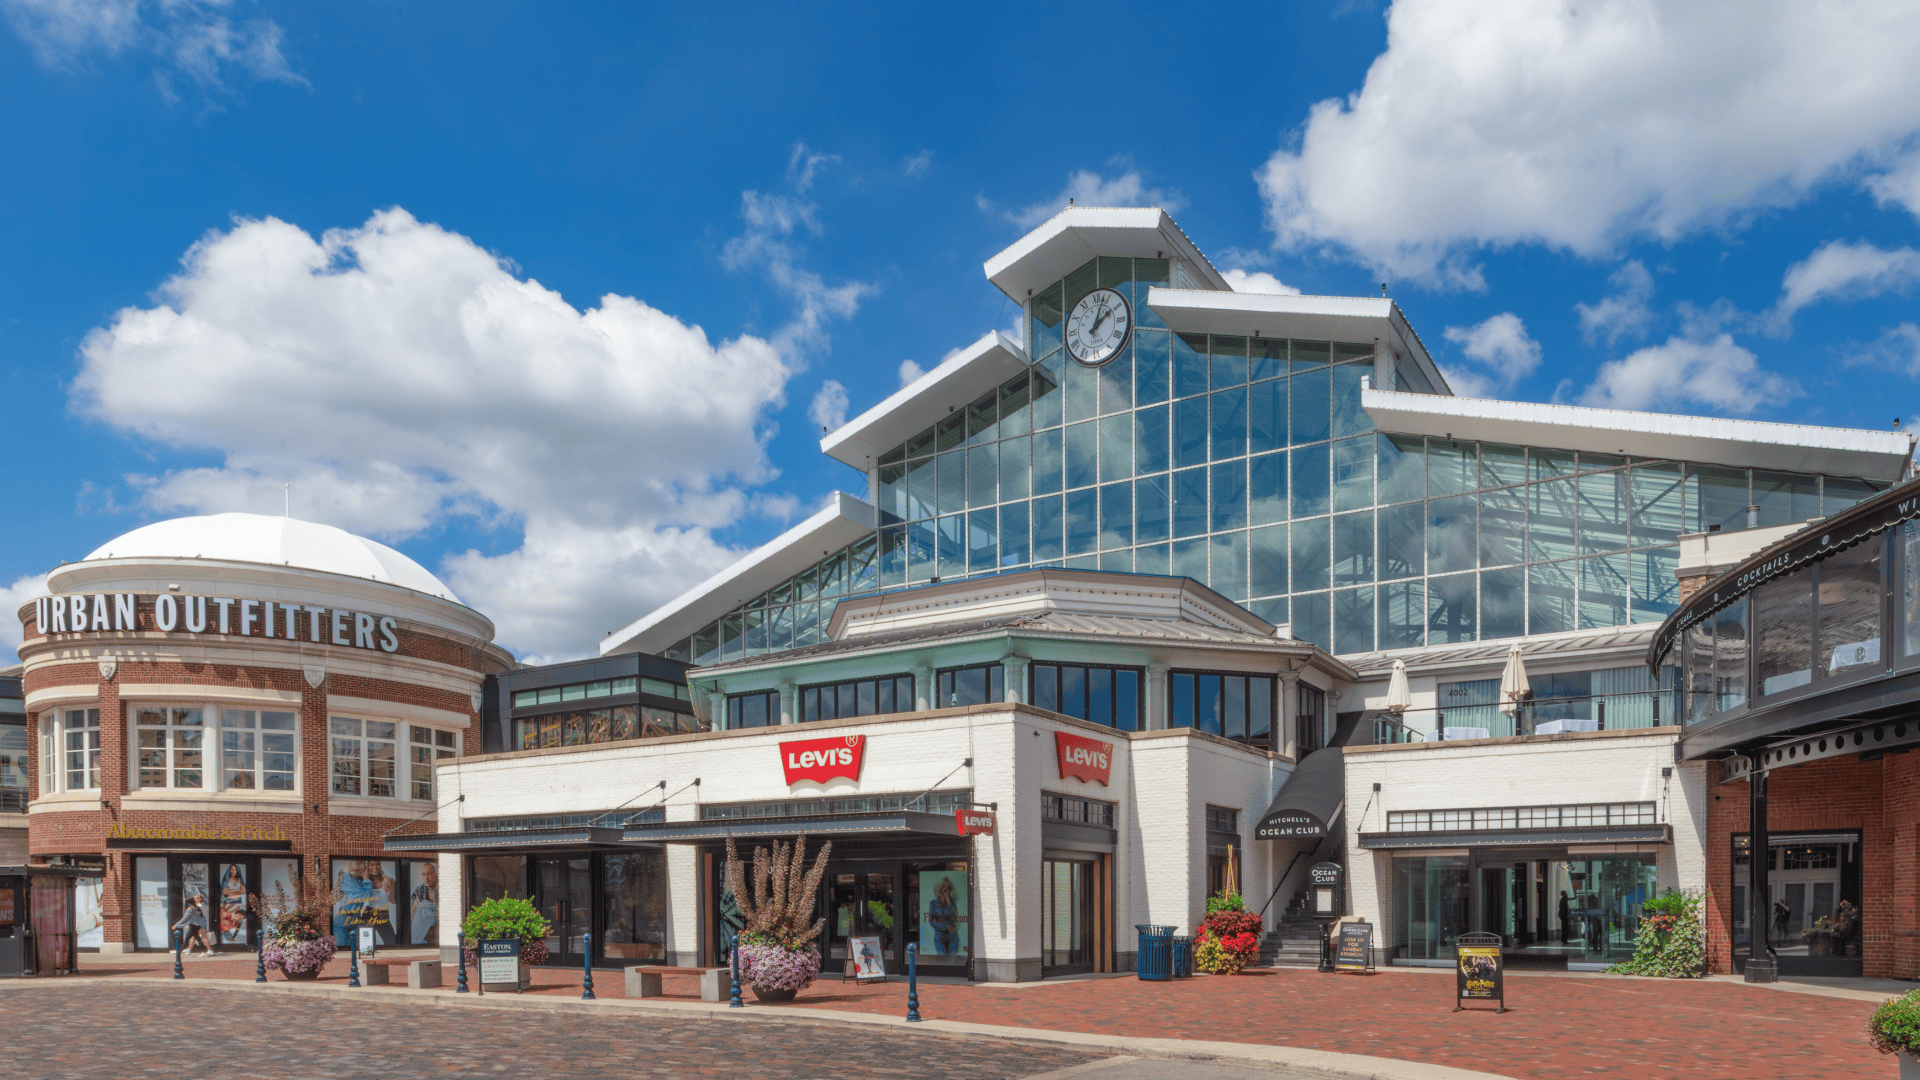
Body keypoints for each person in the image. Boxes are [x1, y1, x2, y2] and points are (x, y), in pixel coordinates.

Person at [926, 876, 959, 955]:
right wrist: (946, 926)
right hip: (939, 935)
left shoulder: (952, 903)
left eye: (947, 889)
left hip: (952, 935)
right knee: (943, 960)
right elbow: (932, 921)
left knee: (952, 960)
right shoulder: (933, 903)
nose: (944, 891)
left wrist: (947, 898)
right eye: (943, 889)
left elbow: (953, 917)